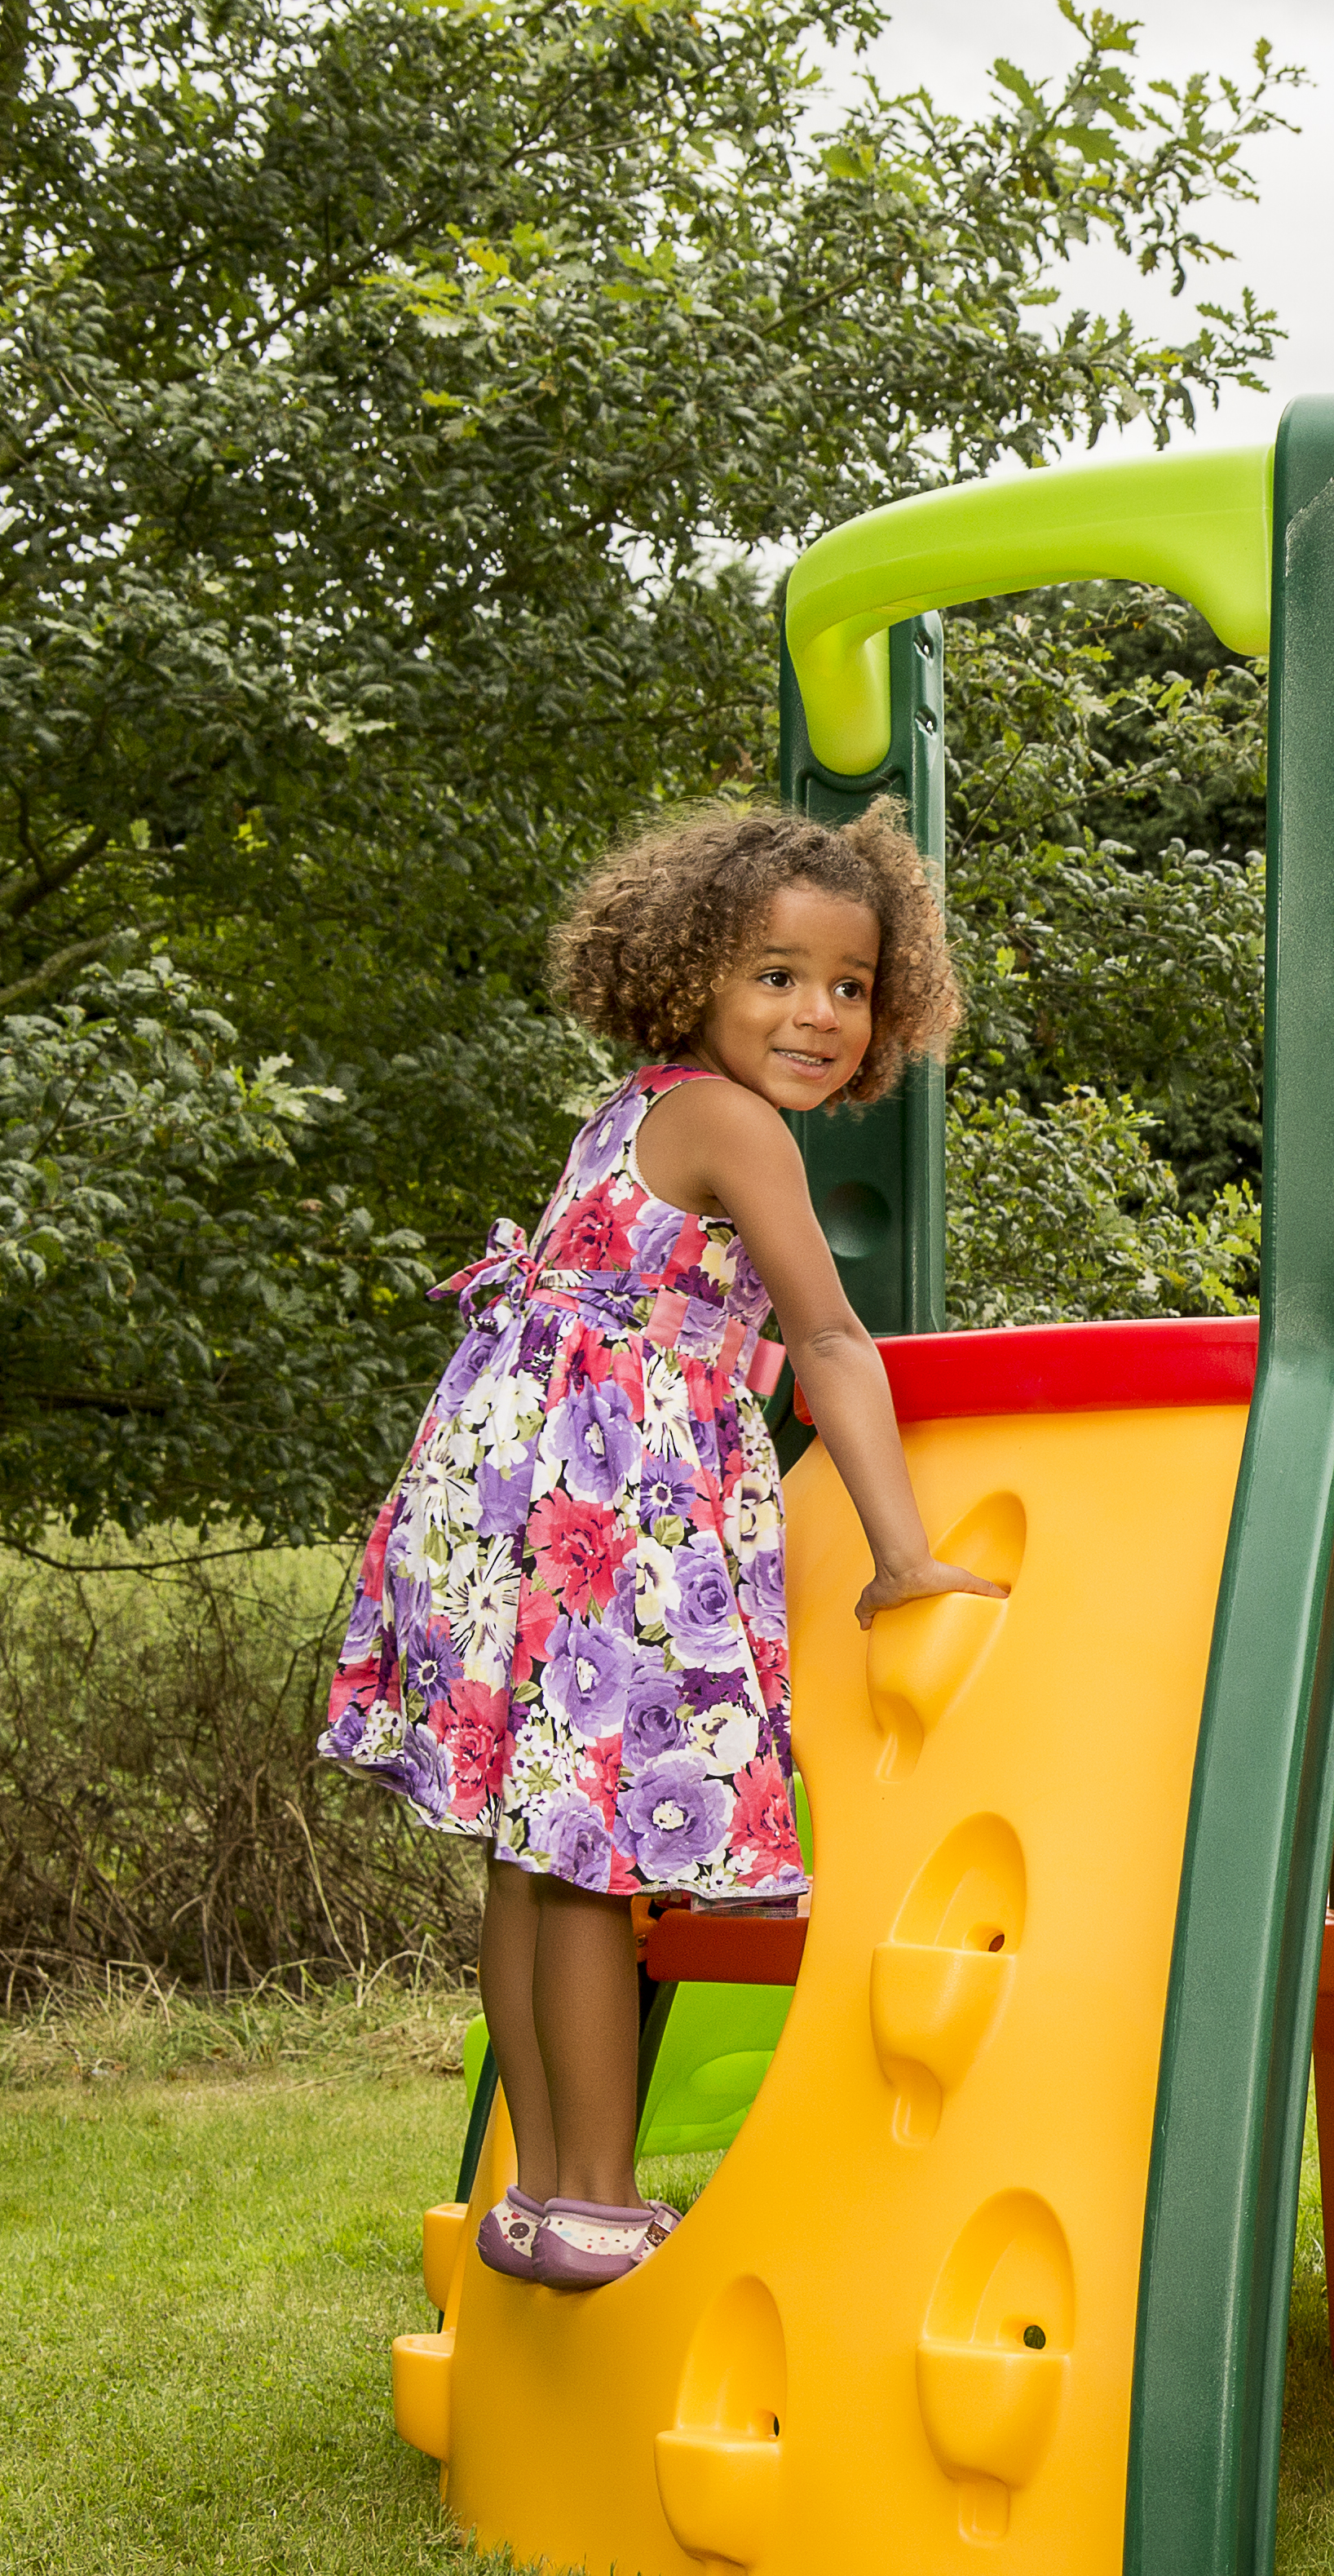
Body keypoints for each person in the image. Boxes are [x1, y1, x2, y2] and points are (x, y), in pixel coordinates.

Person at [319, 800, 1004, 2293]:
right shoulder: (731, 1124)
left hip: (504, 1503)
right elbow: (826, 1333)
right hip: (595, 1517)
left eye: (849, 984)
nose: (818, 1012)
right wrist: (903, 1557)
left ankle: (542, 2189)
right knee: (590, 1862)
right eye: (776, 974)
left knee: (530, 1854)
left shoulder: (630, 1111)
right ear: (688, 971)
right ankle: (601, 2202)